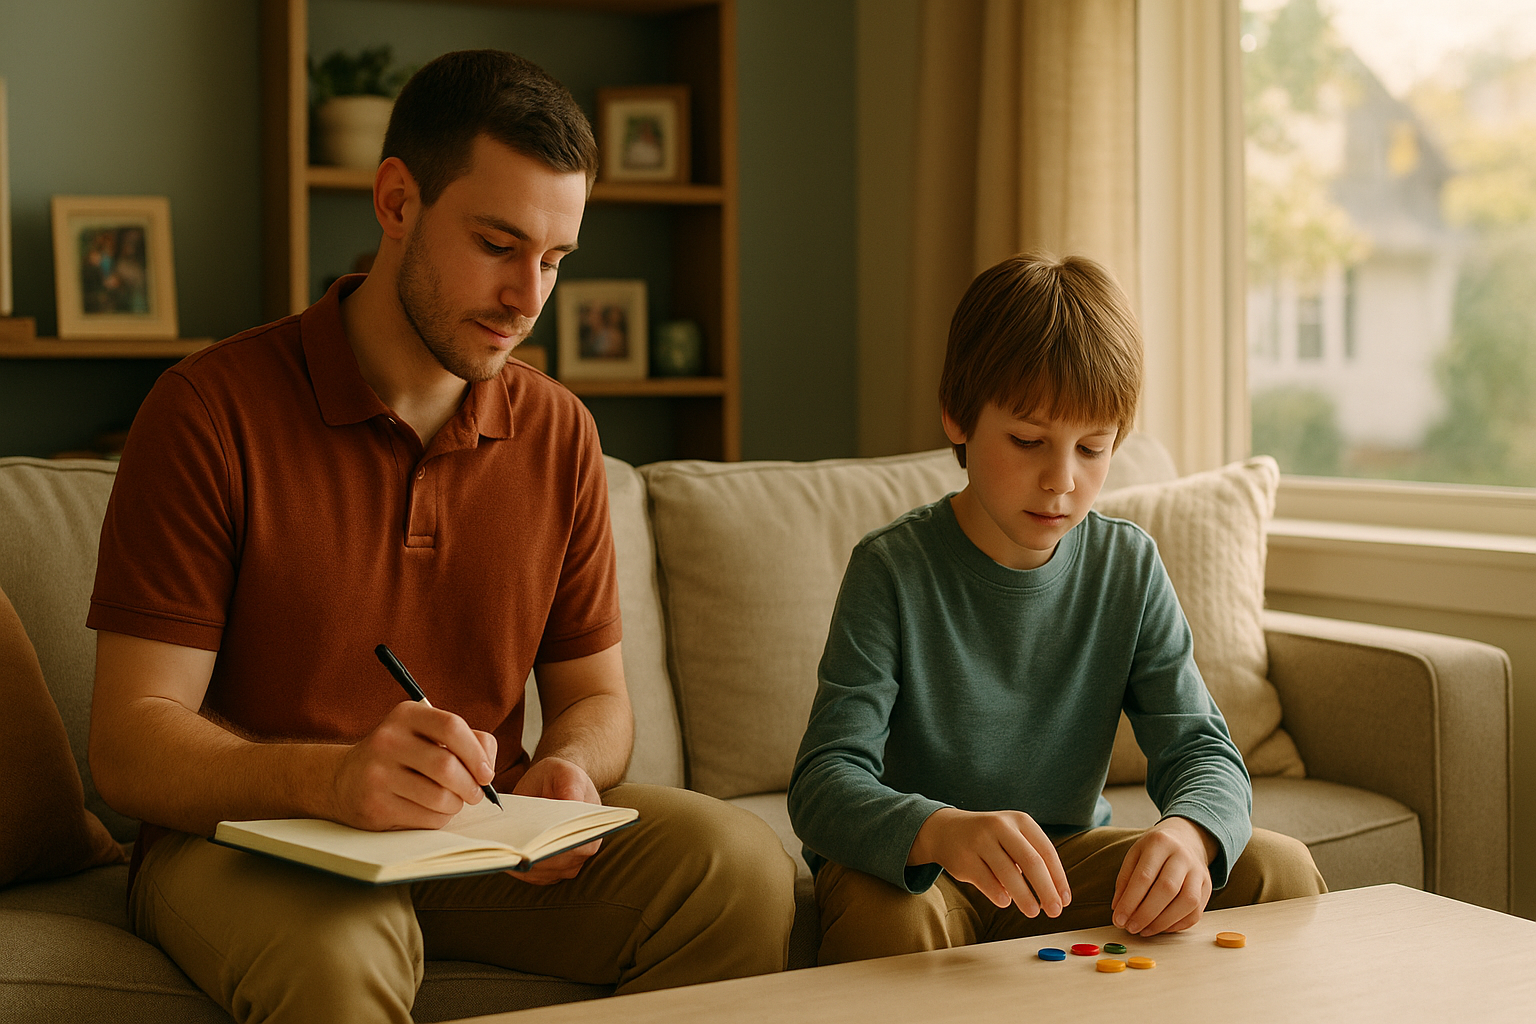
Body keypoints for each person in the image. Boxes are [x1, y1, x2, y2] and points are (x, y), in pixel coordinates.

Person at [87, 49, 795, 1023]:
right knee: (341, 949)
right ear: (396, 201)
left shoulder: (560, 434)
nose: (528, 297)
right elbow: (129, 743)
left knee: (740, 869)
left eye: (555, 260)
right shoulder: (207, 412)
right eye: (498, 244)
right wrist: (334, 779)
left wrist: (571, 767)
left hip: (476, 835)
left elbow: (597, 699)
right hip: (248, 841)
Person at [787, 251, 1325, 966]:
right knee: (892, 925)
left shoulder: (1127, 566)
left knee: (1277, 869)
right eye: (1028, 441)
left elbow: (1202, 750)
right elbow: (823, 784)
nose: (1062, 480)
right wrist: (941, 830)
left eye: (1093, 448)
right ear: (958, 416)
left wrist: (1191, 833)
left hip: (1060, 873)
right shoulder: (892, 568)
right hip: (918, 874)